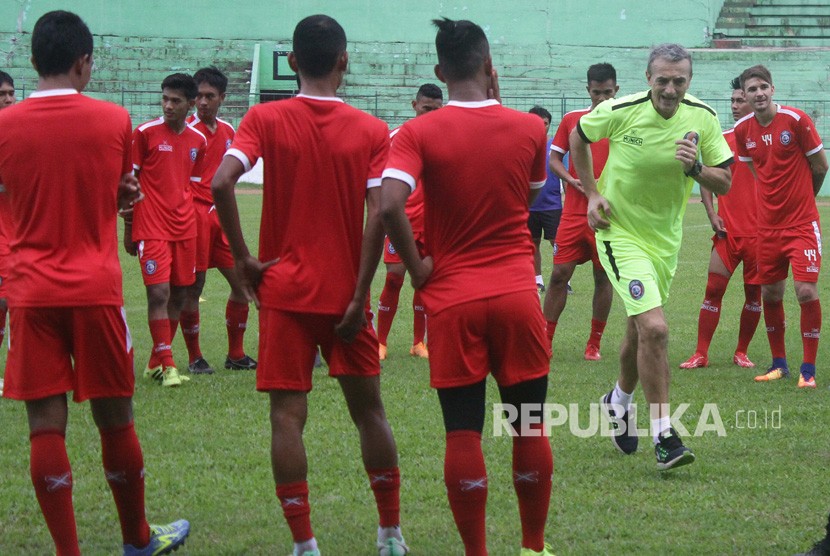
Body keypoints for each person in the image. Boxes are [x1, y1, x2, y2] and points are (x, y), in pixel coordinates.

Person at [211, 15, 408, 556]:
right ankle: (390, 534)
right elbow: (380, 217)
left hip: (284, 294)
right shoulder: (371, 130)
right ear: (344, 61)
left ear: (292, 62)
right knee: (370, 412)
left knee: (286, 416)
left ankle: (304, 544)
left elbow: (221, 181)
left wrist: (244, 258)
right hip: (345, 297)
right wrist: (357, 294)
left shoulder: (265, 117)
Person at [0, 10, 190, 555]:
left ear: (33, 60)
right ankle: (136, 539)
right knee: (115, 417)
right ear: (84, 62)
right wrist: (119, 198)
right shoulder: (114, 120)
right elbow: (113, 193)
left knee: (44, 424)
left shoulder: (5, 125)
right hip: (95, 289)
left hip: (31, 291)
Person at [381, 17, 554, 556]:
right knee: (528, 425)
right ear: (489, 66)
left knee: (463, 431)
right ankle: (532, 546)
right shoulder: (529, 128)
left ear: (439, 71)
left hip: (452, 298)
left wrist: (417, 267)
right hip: (516, 294)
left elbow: (389, 204)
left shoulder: (417, 131)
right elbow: (526, 198)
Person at [573, 43, 733, 470]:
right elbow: (579, 137)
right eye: (662, 79)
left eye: (679, 80)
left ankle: (617, 400)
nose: (670, 88)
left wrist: (695, 168)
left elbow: (726, 183)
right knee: (656, 329)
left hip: (665, 242)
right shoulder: (620, 109)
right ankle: (665, 437)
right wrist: (591, 194)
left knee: (638, 332)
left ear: (689, 82)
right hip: (618, 233)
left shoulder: (704, 118)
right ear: (648, 79)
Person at [734, 65, 828, 388]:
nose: (758, 93)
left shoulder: (796, 120)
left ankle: (808, 370)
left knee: (805, 291)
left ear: (773, 89)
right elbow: (758, 173)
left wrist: (806, 200)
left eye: (763, 87)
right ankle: (779, 364)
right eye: (751, 89)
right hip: (768, 228)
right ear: (744, 95)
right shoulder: (743, 130)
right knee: (770, 293)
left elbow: (821, 165)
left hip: (802, 224)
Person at [125, 73, 206, 387]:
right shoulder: (144, 134)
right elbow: (128, 183)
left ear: (190, 104)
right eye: (165, 99)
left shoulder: (197, 141)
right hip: (151, 227)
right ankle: (169, 365)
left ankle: (154, 362)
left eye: (175, 101)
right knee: (158, 293)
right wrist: (129, 226)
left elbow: (190, 183)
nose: (168, 106)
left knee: (180, 292)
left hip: (185, 228)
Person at [680, 76, 761, 370]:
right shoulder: (723, 138)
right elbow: (706, 176)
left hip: (761, 237)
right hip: (728, 233)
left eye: (741, 100)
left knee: (754, 296)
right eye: (734, 100)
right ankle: (700, 353)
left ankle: (742, 352)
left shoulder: (767, 139)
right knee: (713, 290)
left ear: (754, 101)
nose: (736, 105)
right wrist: (712, 214)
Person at [181, 66, 257, 374]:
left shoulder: (228, 131)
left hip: (221, 217)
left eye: (209, 96)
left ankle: (235, 354)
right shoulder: (185, 130)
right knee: (193, 285)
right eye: (198, 96)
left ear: (222, 98)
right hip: (195, 216)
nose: (202, 102)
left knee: (241, 283)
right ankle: (194, 356)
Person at [543, 63, 618, 361]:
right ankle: (544, 341)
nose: (602, 98)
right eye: (597, 92)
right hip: (573, 213)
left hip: (609, 217)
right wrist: (570, 178)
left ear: (617, 90)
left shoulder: (625, 123)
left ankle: (594, 344)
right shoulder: (573, 120)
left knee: (603, 277)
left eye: (608, 92)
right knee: (559, 275)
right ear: (588, 90)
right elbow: (554, 159)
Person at [376, 83, 443, 361]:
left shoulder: (445, 136)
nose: (430, 114)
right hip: (401, 220)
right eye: (426, 108)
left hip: (434, 222)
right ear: (414, 105)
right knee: (394, 277)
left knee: (425, 281)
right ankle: (379, 342)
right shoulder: (395, 137)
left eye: (436, 110)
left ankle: (418, 342)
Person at [526, 105, 562, 295]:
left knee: (557, 242)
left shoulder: (555, 147)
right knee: (533, 243)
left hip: (552, 204)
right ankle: (537, 280)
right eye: (537, 123)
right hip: (530, 205)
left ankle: (564, 280)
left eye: (545, 123)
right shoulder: (522, 145)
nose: (542, 127)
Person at [0, 69, 16, 397]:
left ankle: (19, 372)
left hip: (21, 227)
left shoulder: (20, 131)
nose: (9, 99)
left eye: (10, 93)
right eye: (2, 94)